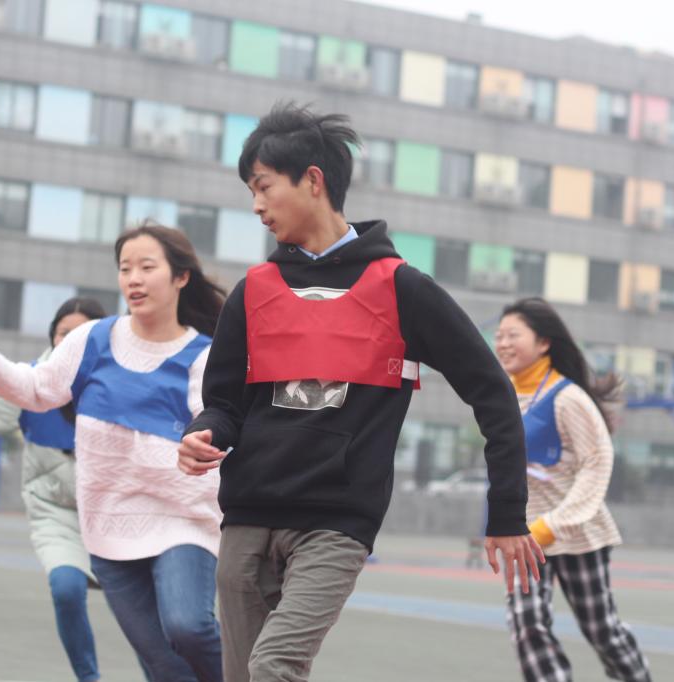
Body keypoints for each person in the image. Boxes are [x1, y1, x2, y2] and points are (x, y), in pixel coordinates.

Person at [177, 102, 543, 682]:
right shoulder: (253, 291)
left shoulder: (402, 290)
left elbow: (492, 394)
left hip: (336, 523)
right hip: (247, 516)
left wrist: (506, 513)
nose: (257, 206)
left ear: (313, 180)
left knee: (273, 667)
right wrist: (203, 433)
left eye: (264, 187)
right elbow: (224, 404)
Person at [0, 225, 226, 682]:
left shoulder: (204, 355)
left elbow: (222, 422)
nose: (133, 279)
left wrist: (206, 441)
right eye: (125, 268)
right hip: (108, 527)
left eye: (147, 267)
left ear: (181, 277)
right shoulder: (92, 340)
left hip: (181, 518)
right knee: (164, 666)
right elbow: (36, 388)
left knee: (189, 627)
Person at [0, 297, 127, 682]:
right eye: (62, 333)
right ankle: (88, 677)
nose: (69, 341)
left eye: (80, 333)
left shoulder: (123, 382)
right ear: (52, 337)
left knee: (145, 614)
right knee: (66, 588)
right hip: (55, 510)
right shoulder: (28, 383)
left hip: (115, 514)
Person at [494, 297, 651, 681]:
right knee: (526, 624)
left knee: (602, 631)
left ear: (544, 343)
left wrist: (556, 523)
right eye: (499, 336)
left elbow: (597, 463)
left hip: (577, 533)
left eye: (513, 335)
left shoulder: (568, 398)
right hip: (526, 536)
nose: (503, 344)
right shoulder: (502, 396)